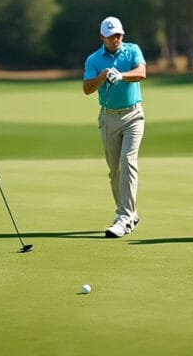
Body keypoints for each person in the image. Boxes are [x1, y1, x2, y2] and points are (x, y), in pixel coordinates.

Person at [83, 16, 147, 238]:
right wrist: (102, 76)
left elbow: (142, 72)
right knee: (114, 170)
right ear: (102, 37)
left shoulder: (132, 50)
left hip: (133, 115)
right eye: (111, 36)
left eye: (119, 35)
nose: (116, 39)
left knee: (128, 160)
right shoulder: (93, 60)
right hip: (108, 117)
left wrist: (121, 75)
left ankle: (123, 217)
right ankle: (131, 214)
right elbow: (87, 89)